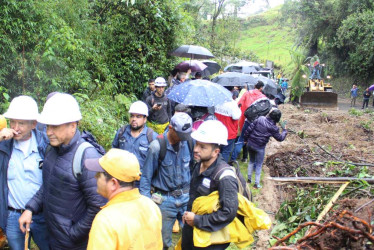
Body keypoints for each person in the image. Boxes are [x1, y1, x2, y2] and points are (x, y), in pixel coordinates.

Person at [19, 93, 107, 250]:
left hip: (74, 244)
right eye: (47, 126)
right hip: (53, 236)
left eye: (55, 126)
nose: (48, 132)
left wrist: (72, 234)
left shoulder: (89, 156)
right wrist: (30, 208)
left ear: (73, 126)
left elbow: (99, 205)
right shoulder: (51, 150)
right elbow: (48, 186)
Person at [85, 149, 162, 250]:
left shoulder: (106, 220)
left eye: (99, 174)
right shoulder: (151, 206)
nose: (95, 177)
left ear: (113, 183)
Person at [0, 96, 50, 250]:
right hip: (13, 215)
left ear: (34, 124)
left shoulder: (46, 145)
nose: (15, 127)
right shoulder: (4, 147)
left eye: (21, 123)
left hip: (42, 215)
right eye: (13, 122)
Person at [181, 120, 238, 249]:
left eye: (202, 147)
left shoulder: (225, 177)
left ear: (216, 152)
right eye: (196, 144)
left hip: (211, 240)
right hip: (192, 231)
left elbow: (228, 212)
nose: (196, 149)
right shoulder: (198, 164)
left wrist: (197, 220)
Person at [140, 112, 193, 249]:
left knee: (193, 235)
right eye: (180, 135)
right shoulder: (156, 147)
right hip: (164, 200)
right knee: (162, 241)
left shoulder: (188, 142)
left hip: (186, 196)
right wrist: (147, 205)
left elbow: (194, 167)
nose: (183, 139)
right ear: (170, 128)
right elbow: (146, 177)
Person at [111, 101, 157, 177]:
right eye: (132, 116)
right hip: (121, 178)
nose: (134, 119)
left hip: (141, 181)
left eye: (138, 116)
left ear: (145, 119)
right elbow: (113, 152)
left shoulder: (151, 137)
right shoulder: (122, 132)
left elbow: (156, 163)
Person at [243, 108, 287, 188]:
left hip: (250, 143)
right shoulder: (274, 128)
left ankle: (249, 180)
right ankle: (256, 184)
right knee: (259, 165)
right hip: (259, 148)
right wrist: (284, 130)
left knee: (251, 161)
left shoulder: (260, 118)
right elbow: (280, 138)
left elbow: (249, 129)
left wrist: (245, 140)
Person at [232, 81, 266, 162]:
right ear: (261, 88)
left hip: (244, 119)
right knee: (252, 139)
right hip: (256, 122)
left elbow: (239, 103)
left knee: (241, 139)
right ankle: (246, 158)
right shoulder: (263, 97)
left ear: (255, 86)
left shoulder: (247, 93)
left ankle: (233, 158)